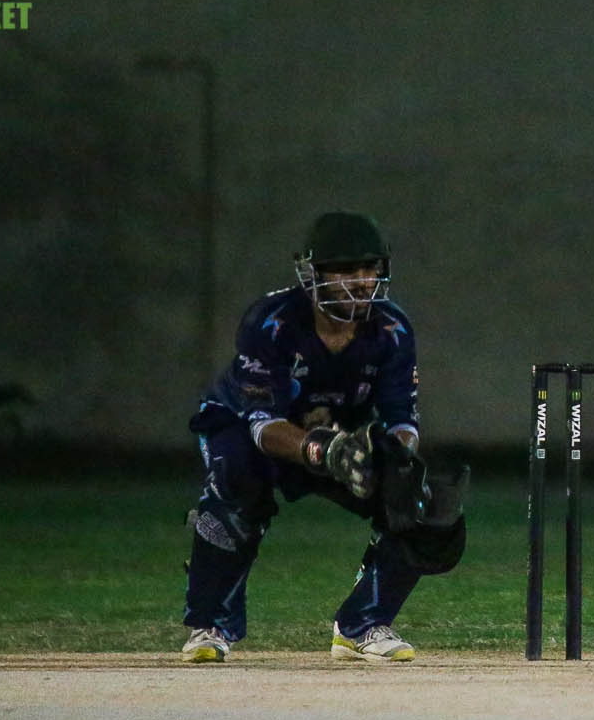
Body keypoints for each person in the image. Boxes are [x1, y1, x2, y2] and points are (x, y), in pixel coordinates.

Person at [180, 211, 465, 664]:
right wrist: (323, 450)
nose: (362, 282)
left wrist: (398, 462)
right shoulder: (271, 323)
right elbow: (262, 424)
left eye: (369, 269)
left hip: (338, 438)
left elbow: (402, 418)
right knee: (235, 485)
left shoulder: (392, 329)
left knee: (420, 502)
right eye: (347, 271)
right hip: (244, 427)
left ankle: (362, 625)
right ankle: (211, 624)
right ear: (313, 275)